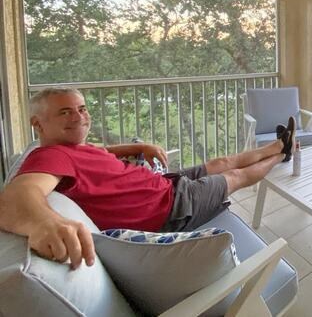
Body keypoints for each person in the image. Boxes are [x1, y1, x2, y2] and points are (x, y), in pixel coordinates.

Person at [0, 87, 296, 270]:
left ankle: (279, 144)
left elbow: (99, 152)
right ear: (38, 123)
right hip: (173, 206)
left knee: (221, 161)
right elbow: (16, 195)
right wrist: (43, 222)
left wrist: (137, 147)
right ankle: (282, 155)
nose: (79, 117)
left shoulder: (70, 148)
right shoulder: (49, 157)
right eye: (66, 112)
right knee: (235, 175)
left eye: (82, 108)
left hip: (165, 184)